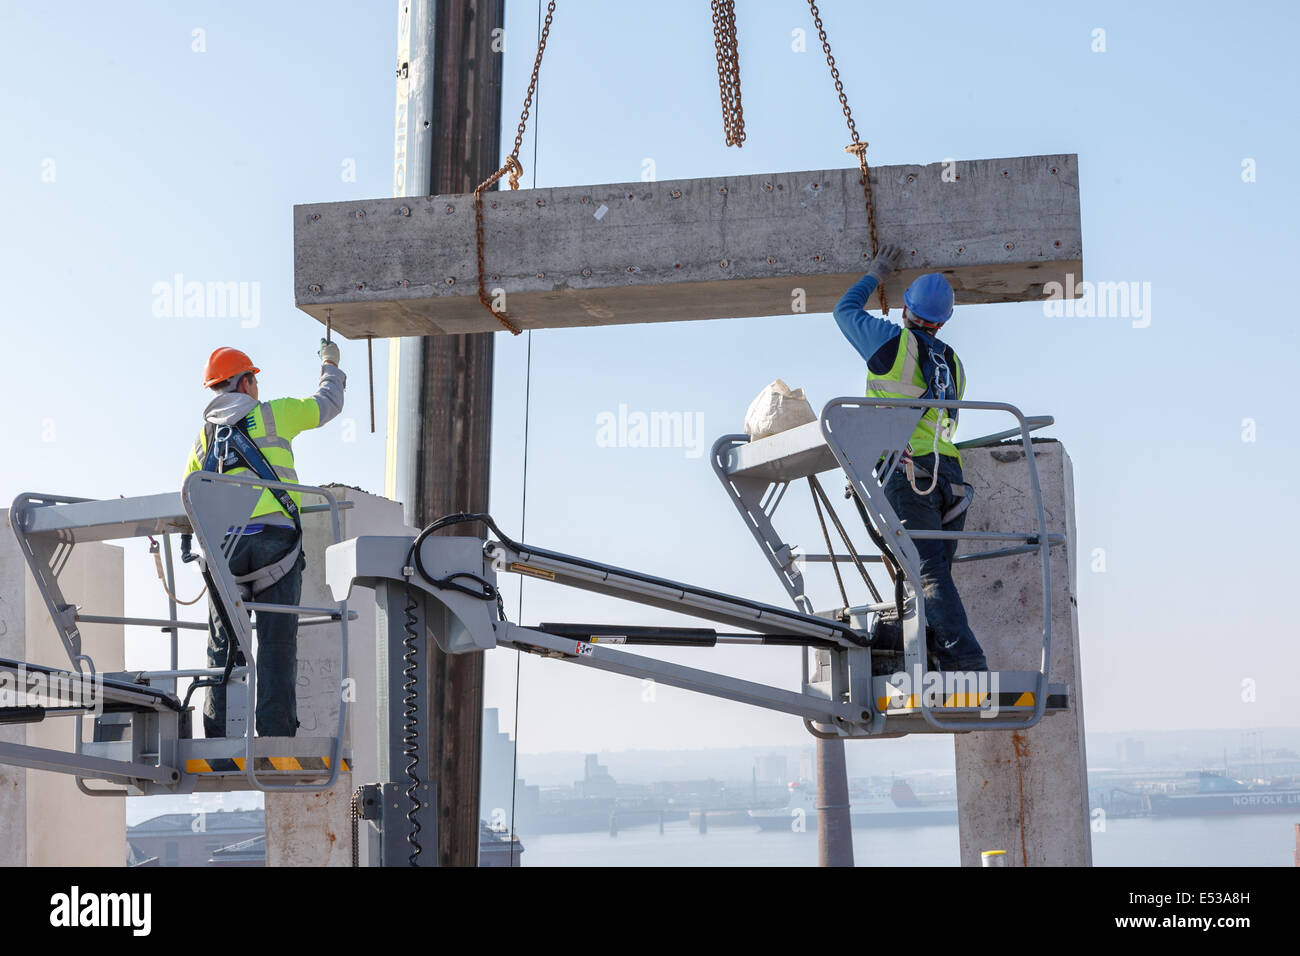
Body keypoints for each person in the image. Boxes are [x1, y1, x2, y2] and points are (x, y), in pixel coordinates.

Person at [832, 244, 987, 671]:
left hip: (909, 474)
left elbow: (844, 312)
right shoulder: (954, 362)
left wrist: (875, 274)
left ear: (906, 310)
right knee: (933, 576)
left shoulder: (891, 344)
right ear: (942, 322)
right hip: (949, 477)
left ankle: (967, 661)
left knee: (926, 575)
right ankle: (933, 658)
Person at [184, 340, 345, 737]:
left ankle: (219, 736)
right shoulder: (274, 415)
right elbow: (328, 403)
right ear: (243, 383)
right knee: (276, 644)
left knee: (224, 646)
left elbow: (189, 494)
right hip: (276, 547)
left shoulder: (203, 440)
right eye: (253, 378)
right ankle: (275, 736)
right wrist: (330, 363)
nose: (257, 386)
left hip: (225, 552)